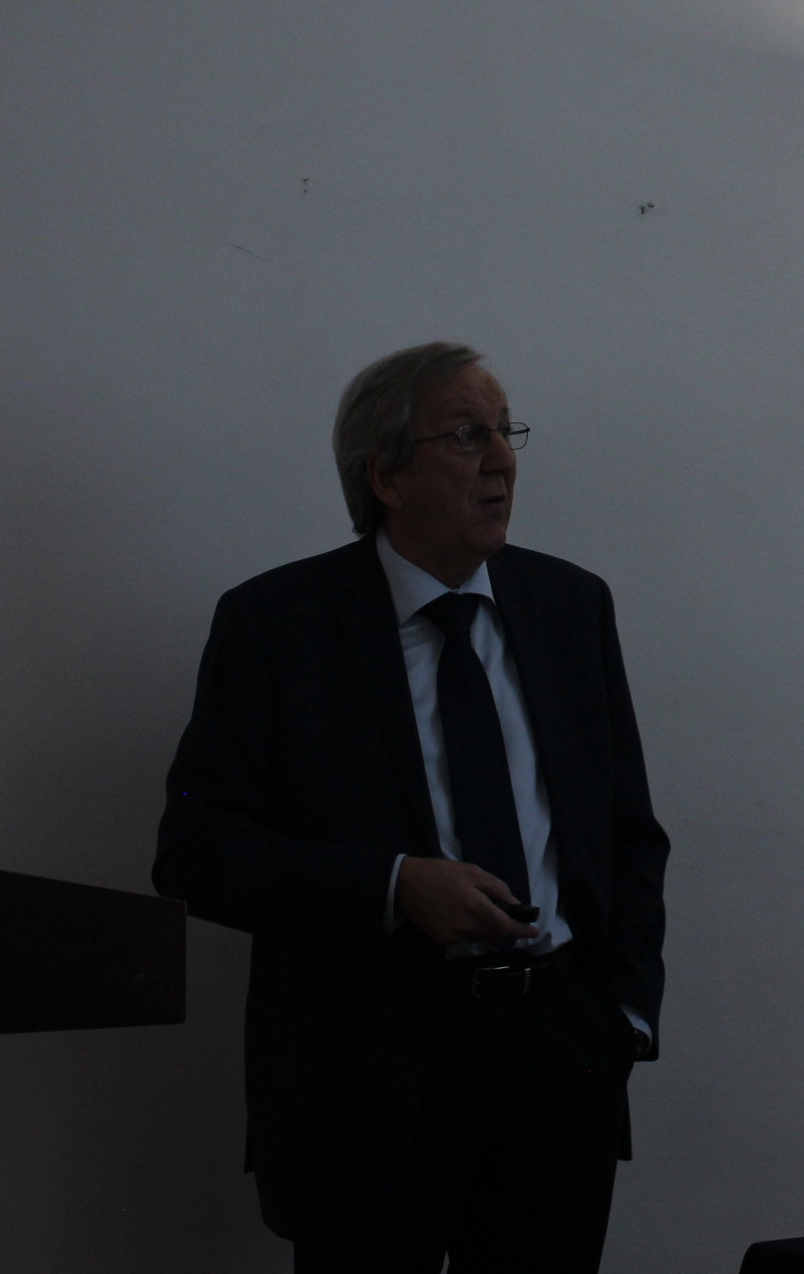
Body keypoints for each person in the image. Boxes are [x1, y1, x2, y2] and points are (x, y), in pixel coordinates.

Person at [155, 342, 669, 1273]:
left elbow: (627, 832)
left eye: (506, 431)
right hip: (368, 1078)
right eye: (467, 436)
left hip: (557, 1059)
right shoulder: (277, 626)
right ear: (386, 476)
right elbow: (197, 848)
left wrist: (623, 1014)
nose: (503, 459)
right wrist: (393, 887)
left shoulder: (570, 606)